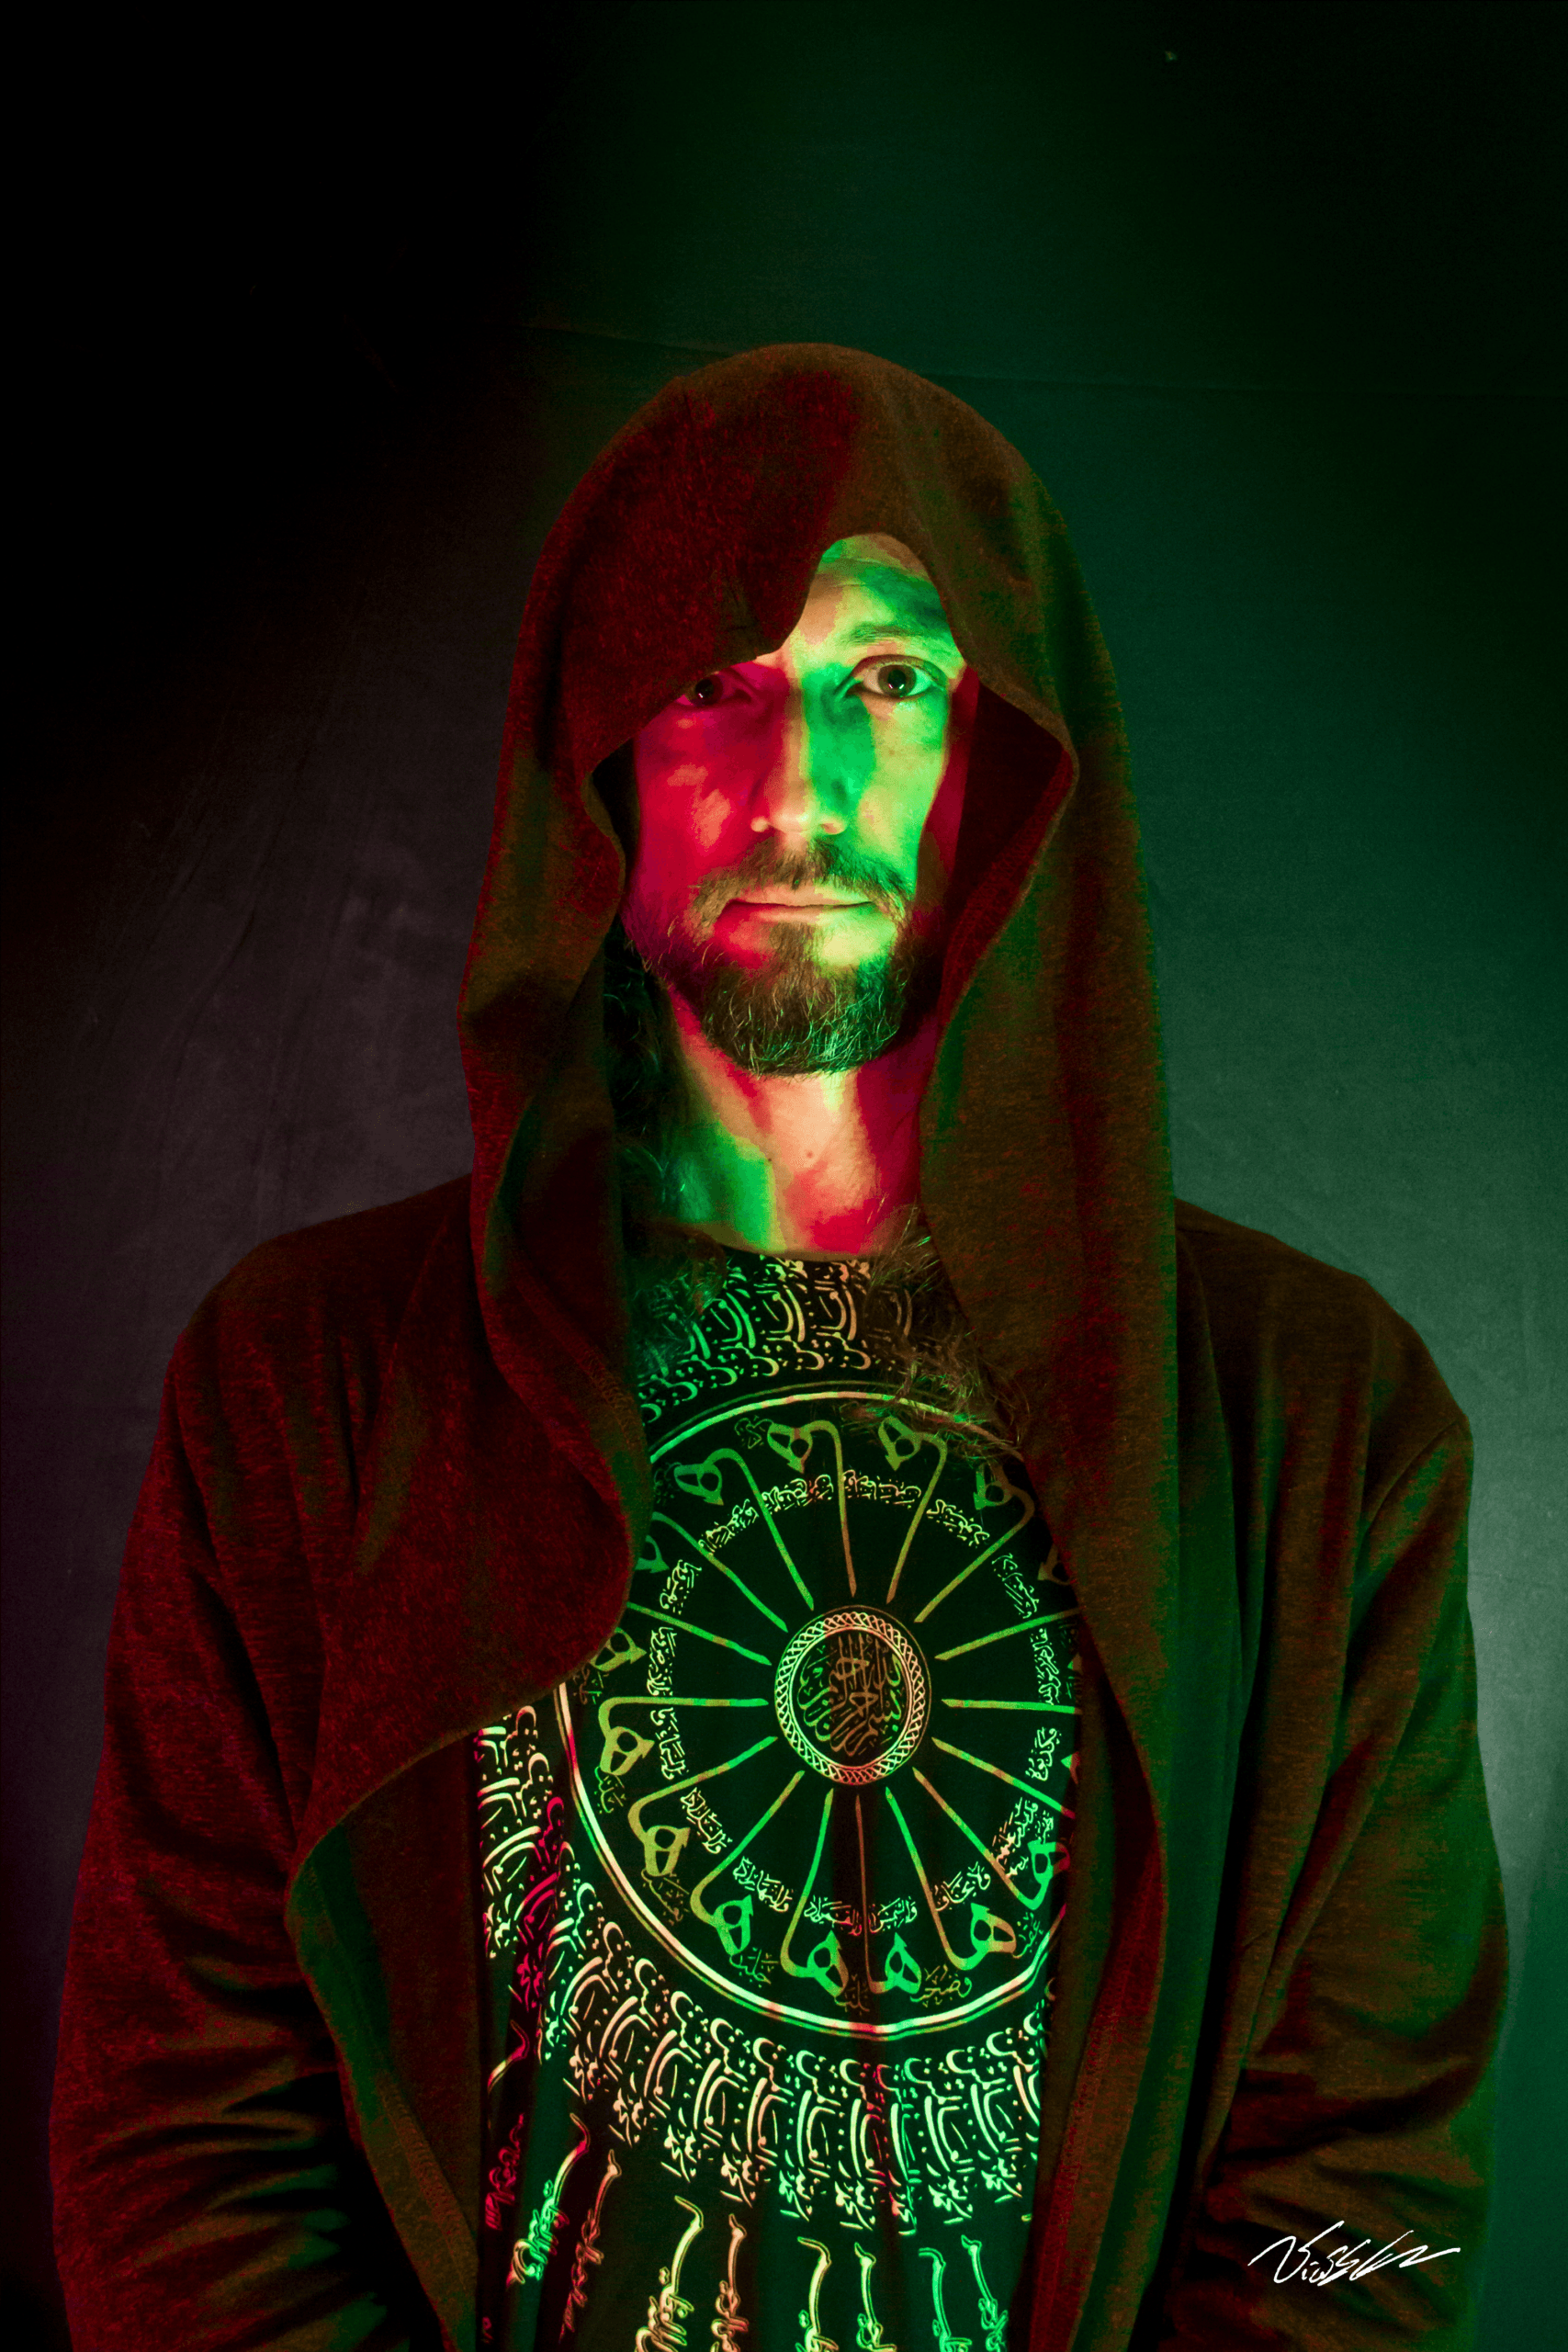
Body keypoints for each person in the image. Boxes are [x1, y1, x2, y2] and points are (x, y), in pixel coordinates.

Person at [51, 346, 1506, 2350]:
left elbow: (1371, 2208)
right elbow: (176, 2153)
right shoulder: (307, 1388)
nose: (800, 785)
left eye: (889, 679)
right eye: (711, 681)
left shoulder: (1318, 1430)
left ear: (1009, 750)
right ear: (591, 753)